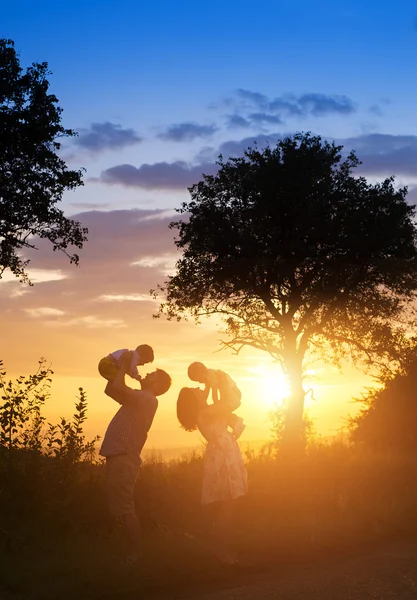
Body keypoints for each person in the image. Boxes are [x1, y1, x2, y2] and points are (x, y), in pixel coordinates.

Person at [99, 350, 171, 563]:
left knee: (125, 508)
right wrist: (115, 366)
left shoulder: (147, 399)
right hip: (118, 456)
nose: (146, 375)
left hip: (124, 457)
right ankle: (129, 551)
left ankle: (136, 554)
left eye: (152, 377)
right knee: (120, 508)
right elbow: (111, 389)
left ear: (158, 387)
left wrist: (124, 365)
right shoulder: (138, 399)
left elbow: (119, 387)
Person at [176, 386, 248, 564]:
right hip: (222, 456)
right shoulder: (204, 414)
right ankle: (221, 549)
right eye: (196, 389)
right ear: (194, 399)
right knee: (228, 505)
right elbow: (216, 429)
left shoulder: (208, 409)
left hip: (227, 451)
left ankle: (222, 547)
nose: (200, 388)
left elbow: (222, 406)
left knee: (230, 504)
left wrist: (212, 388)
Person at [188, 362, 246, 439]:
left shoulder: (211, 376)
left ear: (202, 373)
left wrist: (216, 406)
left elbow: (214, 394)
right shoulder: (210, 376)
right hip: (232, 396)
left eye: (198, 379)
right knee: (213, 410)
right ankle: (234, 422)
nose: (199, 382)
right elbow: (206, 392)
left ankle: (236, 422)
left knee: (215, 411)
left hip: (233, 397)